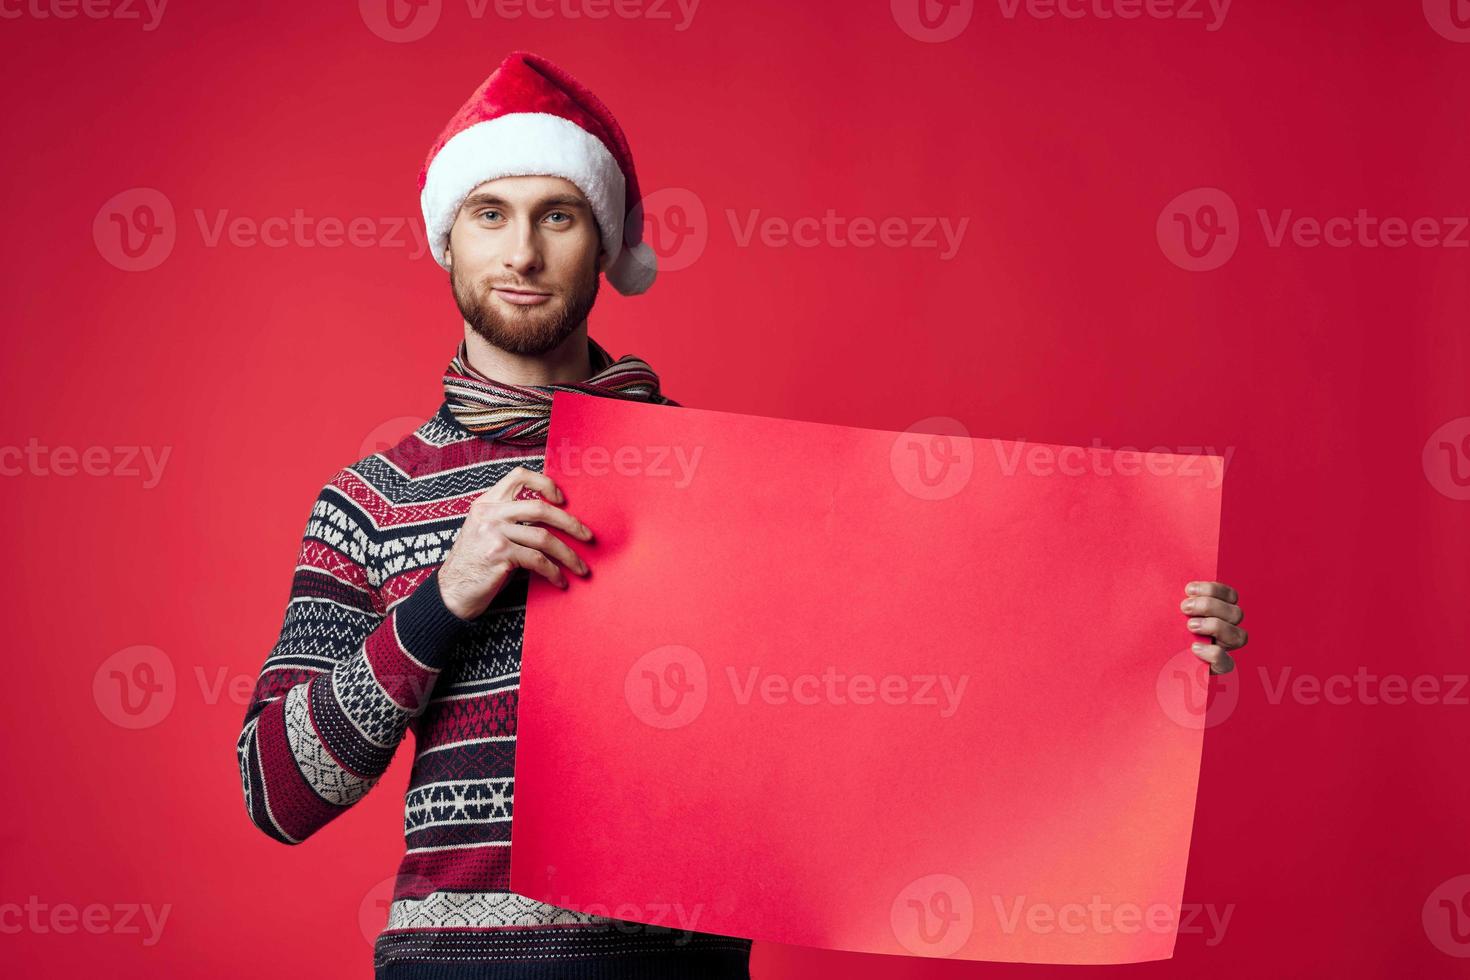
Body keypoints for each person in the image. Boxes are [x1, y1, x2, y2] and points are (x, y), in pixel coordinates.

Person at [234, 50, 1248, 980]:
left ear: (603, 245)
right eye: (489, 213)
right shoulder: (371, 498)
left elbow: (913, 671)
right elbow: (278, 790)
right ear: (446, 239)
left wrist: (1140, 637)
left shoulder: (717, 480)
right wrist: (444, 596)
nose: (524, 252)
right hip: (454, 969)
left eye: (558, 214)